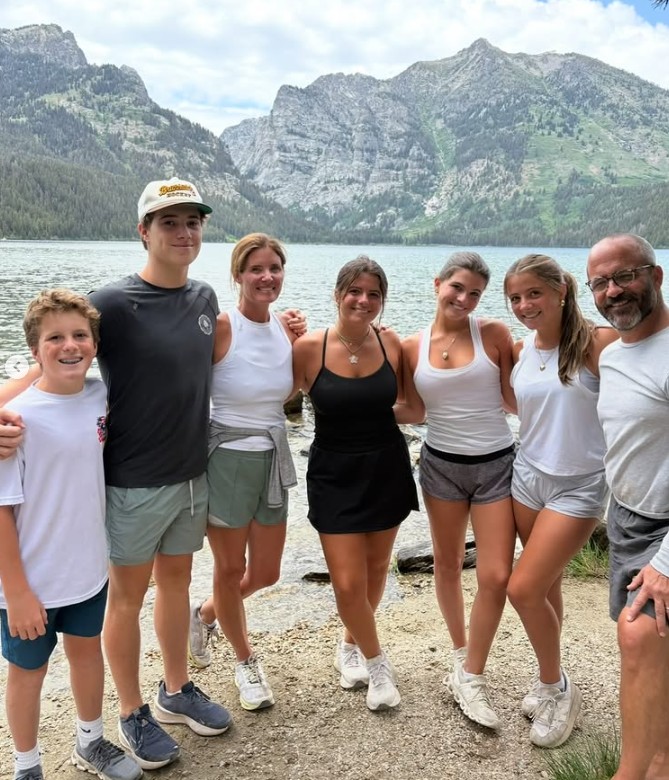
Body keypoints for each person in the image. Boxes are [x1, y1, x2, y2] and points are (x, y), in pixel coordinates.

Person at [0, 178, 232, 770]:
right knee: (125, 599)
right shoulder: (113, 304)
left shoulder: (205, 299)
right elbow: (56, 351)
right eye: (169, 222)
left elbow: (208, 365)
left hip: (190, 477)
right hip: (131, 481)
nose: (183, 233)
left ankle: (175, 689)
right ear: (144, 232)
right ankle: (131, 712)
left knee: (177, 583)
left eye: (192, 222)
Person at [0, 290, 141, 780]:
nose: (69, 346)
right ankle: (26, 766)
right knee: (27, 673)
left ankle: (90, 742)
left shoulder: (101, 396)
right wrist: (16, 591)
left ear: (95, 345)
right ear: (35, 350)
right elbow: (1, 511)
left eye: (80, 335)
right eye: (54, 338)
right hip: (30, 583)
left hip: (87, 569)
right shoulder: (17, 418)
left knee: (86, 655)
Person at [394, 251, 517, 731]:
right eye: (457, 287)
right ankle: (461, 654)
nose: (464, 299)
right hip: (440, 466)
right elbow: (412, 410)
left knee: (496, 574)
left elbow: (514, 397)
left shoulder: (494, 335)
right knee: (446, 565)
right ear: (437, 283)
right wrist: (350, 411)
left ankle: (472, 674)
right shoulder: (411, 346)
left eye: (475, 293)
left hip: (496, 466)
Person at [292, 256, 418, 712]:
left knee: (378, 568)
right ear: (338, 294)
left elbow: (413, 407)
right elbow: (278, 400)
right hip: (333, 471)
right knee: (347, 582)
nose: (363, 301)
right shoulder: (308, 347)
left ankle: (350, 645)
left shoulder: (392, 344)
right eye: (355, 291)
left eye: (374, 295)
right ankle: (379, 664)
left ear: (382, 301)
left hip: (385, 464)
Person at [503, 254, 617, 749]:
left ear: (561, 291)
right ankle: (549, 676)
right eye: (515, 298)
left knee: (522, 588)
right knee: (545, 587)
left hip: (581, 485)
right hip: (527, 478)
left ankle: (558, 687)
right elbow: (516, 405)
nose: (525, 306)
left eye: (533, 294)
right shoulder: (521, 348)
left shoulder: (596, 343)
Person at [187, 233, 299, 712]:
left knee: (267, 572)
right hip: (227, 458)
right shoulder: (221, 328)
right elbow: (186, 387)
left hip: (272, 457)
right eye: (256, 268)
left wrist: (297, 338)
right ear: (237, 274)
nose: (266, 276)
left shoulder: (285, 328)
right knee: (230, 569)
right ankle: (245, 660)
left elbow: (289, 396)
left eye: (274, 267)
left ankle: (205, 614)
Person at [587, 234, 669, 780]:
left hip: (664, 532)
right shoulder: (613, 353)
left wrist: (666, 562)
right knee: (655, 654)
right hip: (627, 517)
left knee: (639, 637)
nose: (614, 291)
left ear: (656, 275)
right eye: (600, 283)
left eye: (626, 276)